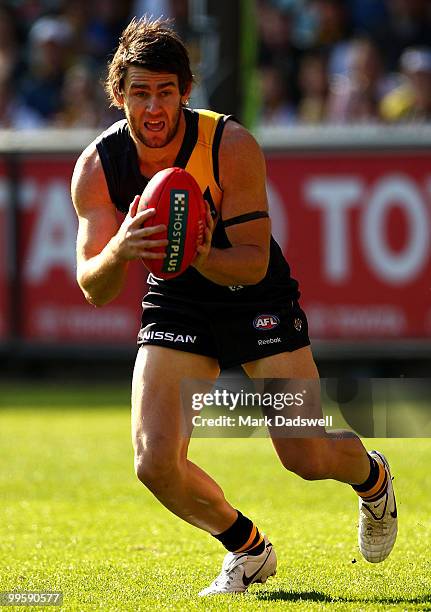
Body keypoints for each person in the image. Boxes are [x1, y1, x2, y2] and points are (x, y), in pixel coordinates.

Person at [71, 16, 398, 596]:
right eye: (140, 92)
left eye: (166, 92)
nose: (153, 108)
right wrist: (121, 248)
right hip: (176, 298)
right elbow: (93, 288)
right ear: (118, 94)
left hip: (253, 293)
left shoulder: (229, 144)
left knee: (305, 453)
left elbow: (251, 261)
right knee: (155, 463)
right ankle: (248, 548)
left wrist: (192, 251)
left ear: (185, 93)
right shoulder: (99, 168)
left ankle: (371, 477)